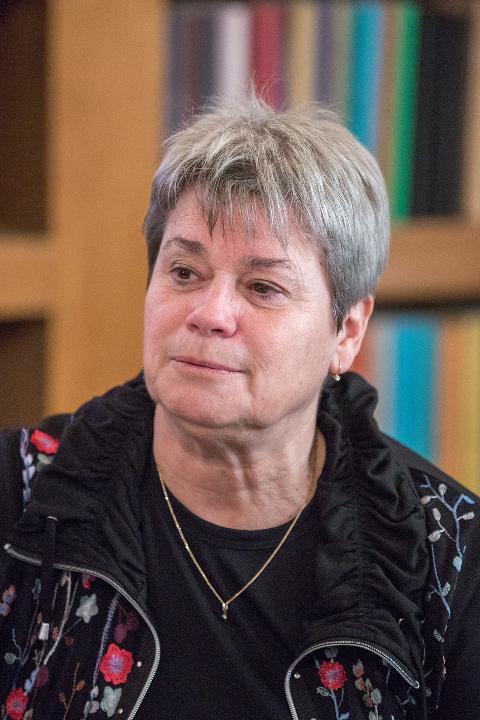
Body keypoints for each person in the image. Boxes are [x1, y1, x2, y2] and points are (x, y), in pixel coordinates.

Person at [0, 96, 479, 720]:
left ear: (347, 331)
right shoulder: (20, 495)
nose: (210, 314)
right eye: (184, 272)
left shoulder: (446, 556)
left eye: (262, 287)